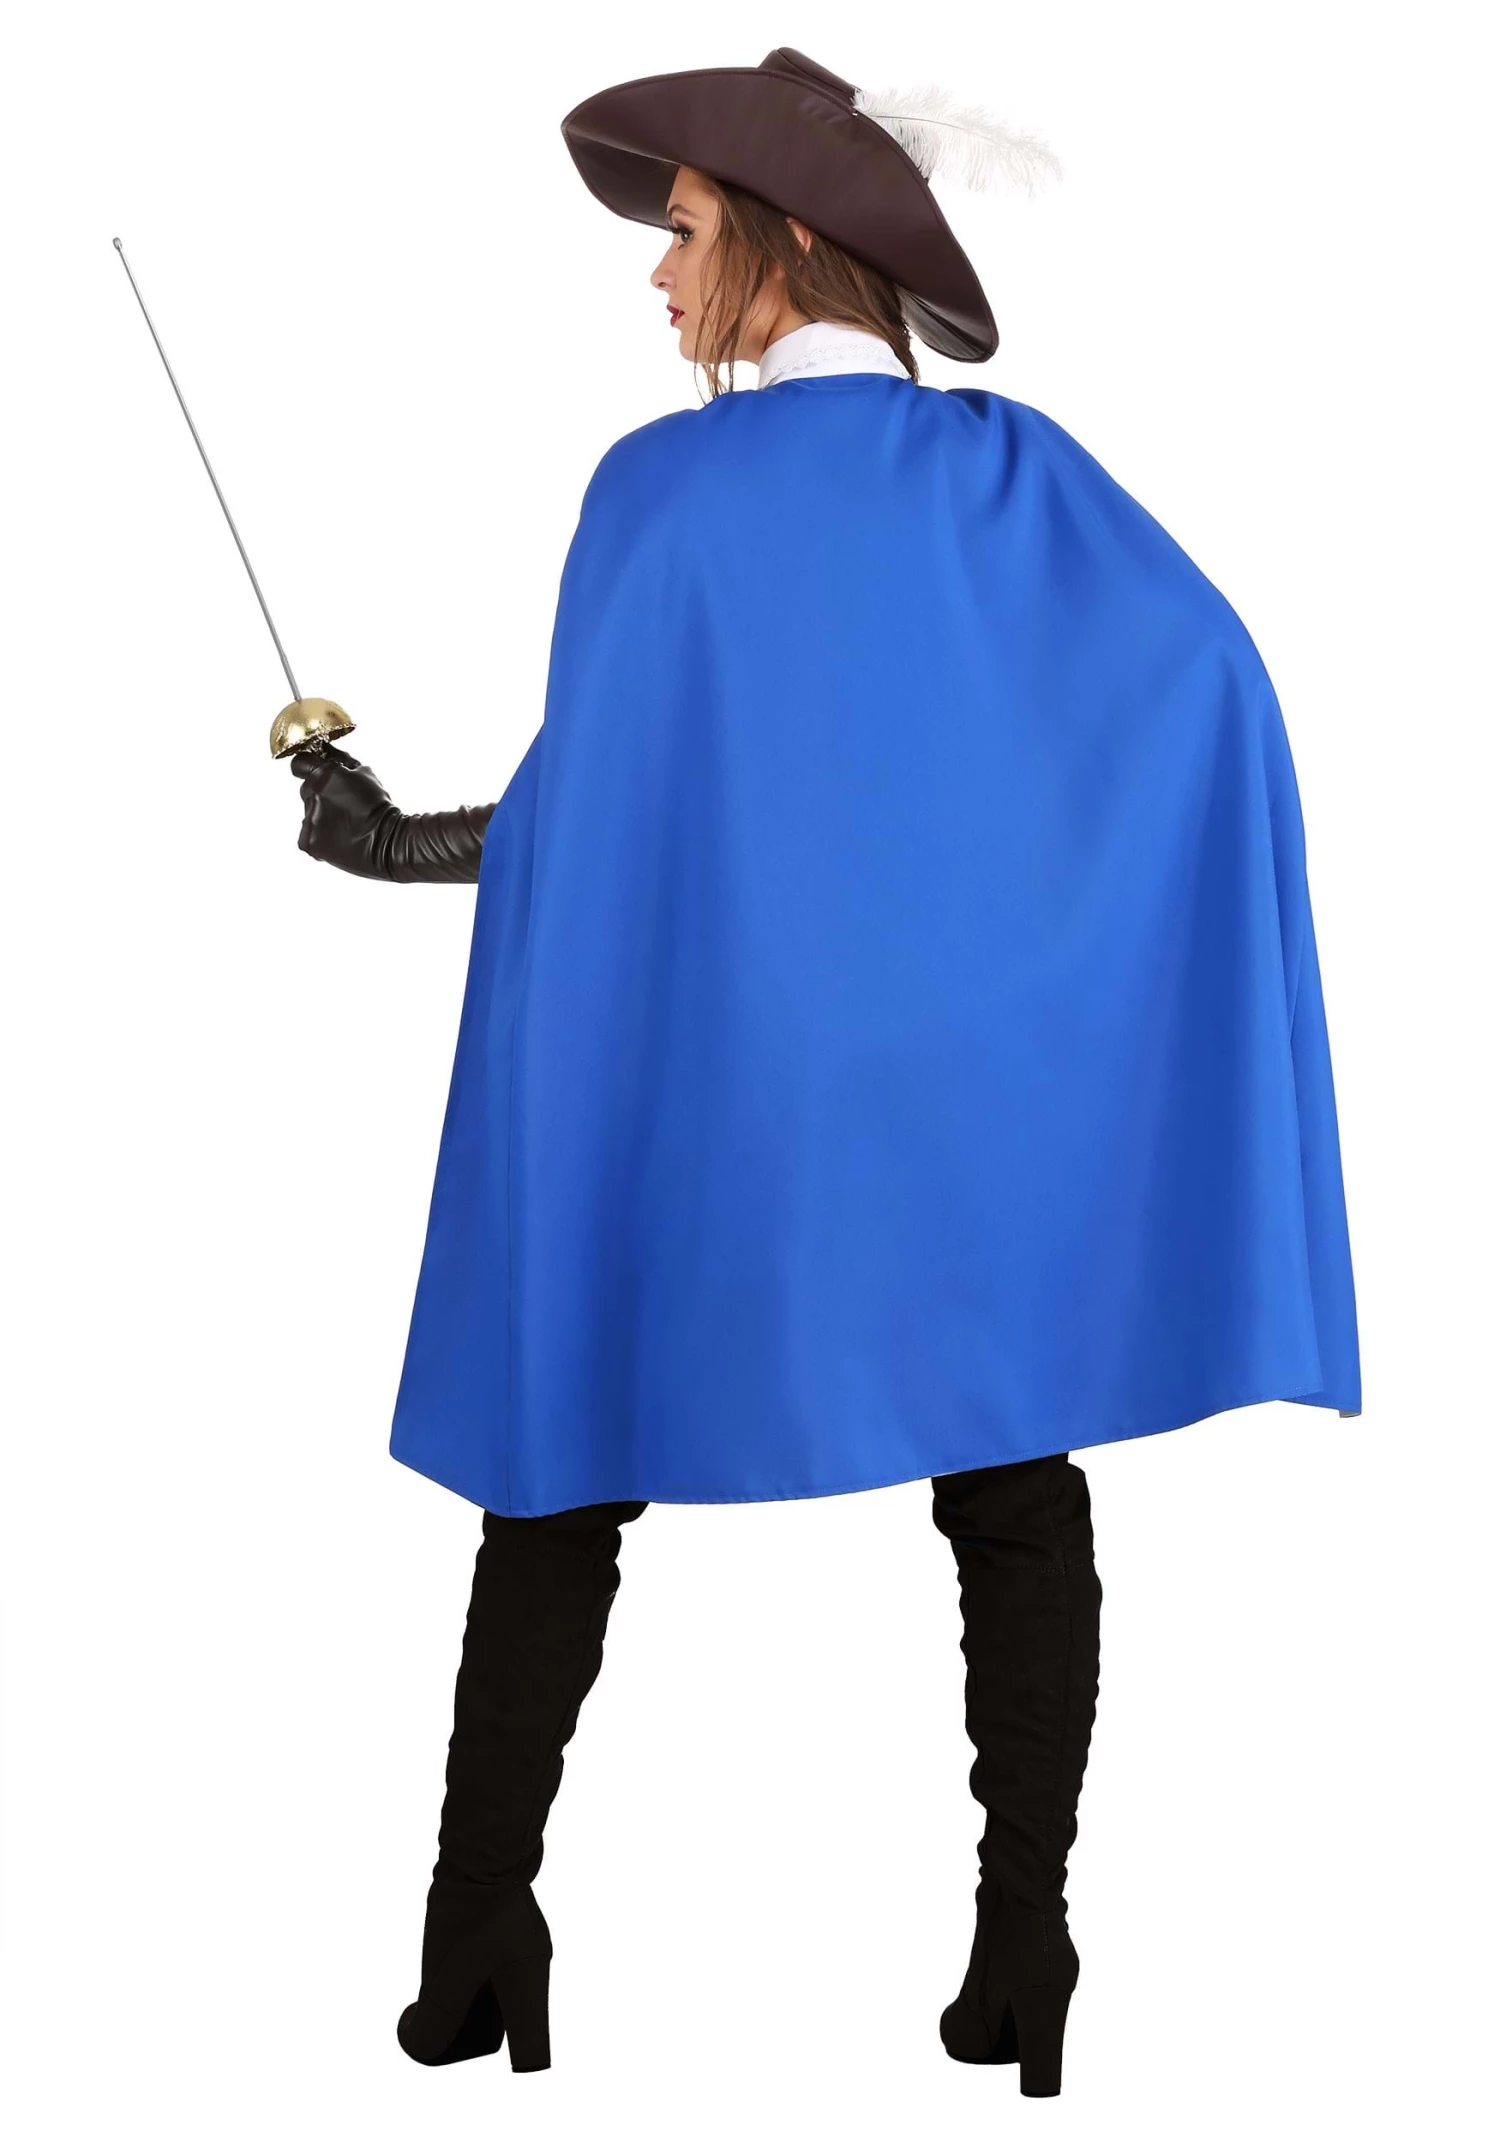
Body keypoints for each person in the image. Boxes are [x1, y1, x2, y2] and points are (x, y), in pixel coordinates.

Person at [291, 47, 1360, 2099]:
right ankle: (1026, 1944)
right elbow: (1205, 688)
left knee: (560, 1447)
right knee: (1014, 1466)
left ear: (782, 247)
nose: (658, 274)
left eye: (685, 232)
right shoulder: (1024, 475)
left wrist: (394, 839)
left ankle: (475, 1930)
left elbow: (598, 812)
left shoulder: (659, 491)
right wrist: (1074, 918)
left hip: (714, 1094)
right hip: (967, 1104)